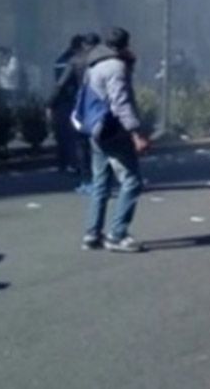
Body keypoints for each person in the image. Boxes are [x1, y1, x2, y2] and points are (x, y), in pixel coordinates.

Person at [81, 27, 151, 253]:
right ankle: (117, 234)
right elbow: (121, 103)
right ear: (125, 45)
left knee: (100, 182)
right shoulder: (116, 67)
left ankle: (93, 233)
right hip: (114, 131)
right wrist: (136, 133)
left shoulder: (93, 64)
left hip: (95, 130)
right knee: (132, 181)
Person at [48, 35, 87, 177]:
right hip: (72, 100)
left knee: (61, 133)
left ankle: (62, 163)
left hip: (60, 101)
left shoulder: (60, 59)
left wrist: (51, 102)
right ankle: (74, 163)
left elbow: (57, 82)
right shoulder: (75, 61)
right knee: (73, 134)